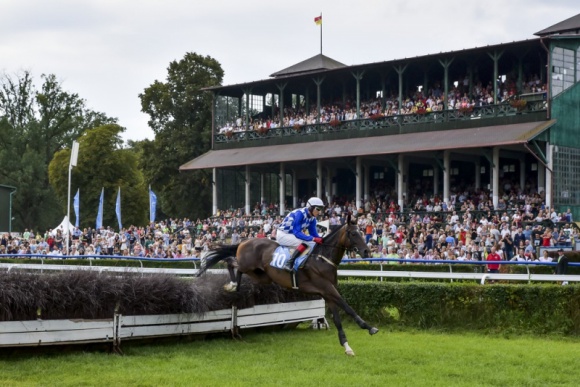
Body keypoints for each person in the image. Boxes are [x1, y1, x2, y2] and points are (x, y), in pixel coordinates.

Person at [277, 197, 324, 271]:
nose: (319, 212)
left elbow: (314, 234)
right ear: (310, 208)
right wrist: (313, 239)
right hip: (283, 234)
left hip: (291, 235)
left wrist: (322, 239)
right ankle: (289, 263)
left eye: (321, 209)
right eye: (318, 209)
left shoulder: (313, 219)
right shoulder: (300, 214)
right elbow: (297, 233)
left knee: (312, 243)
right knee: (305, 242)